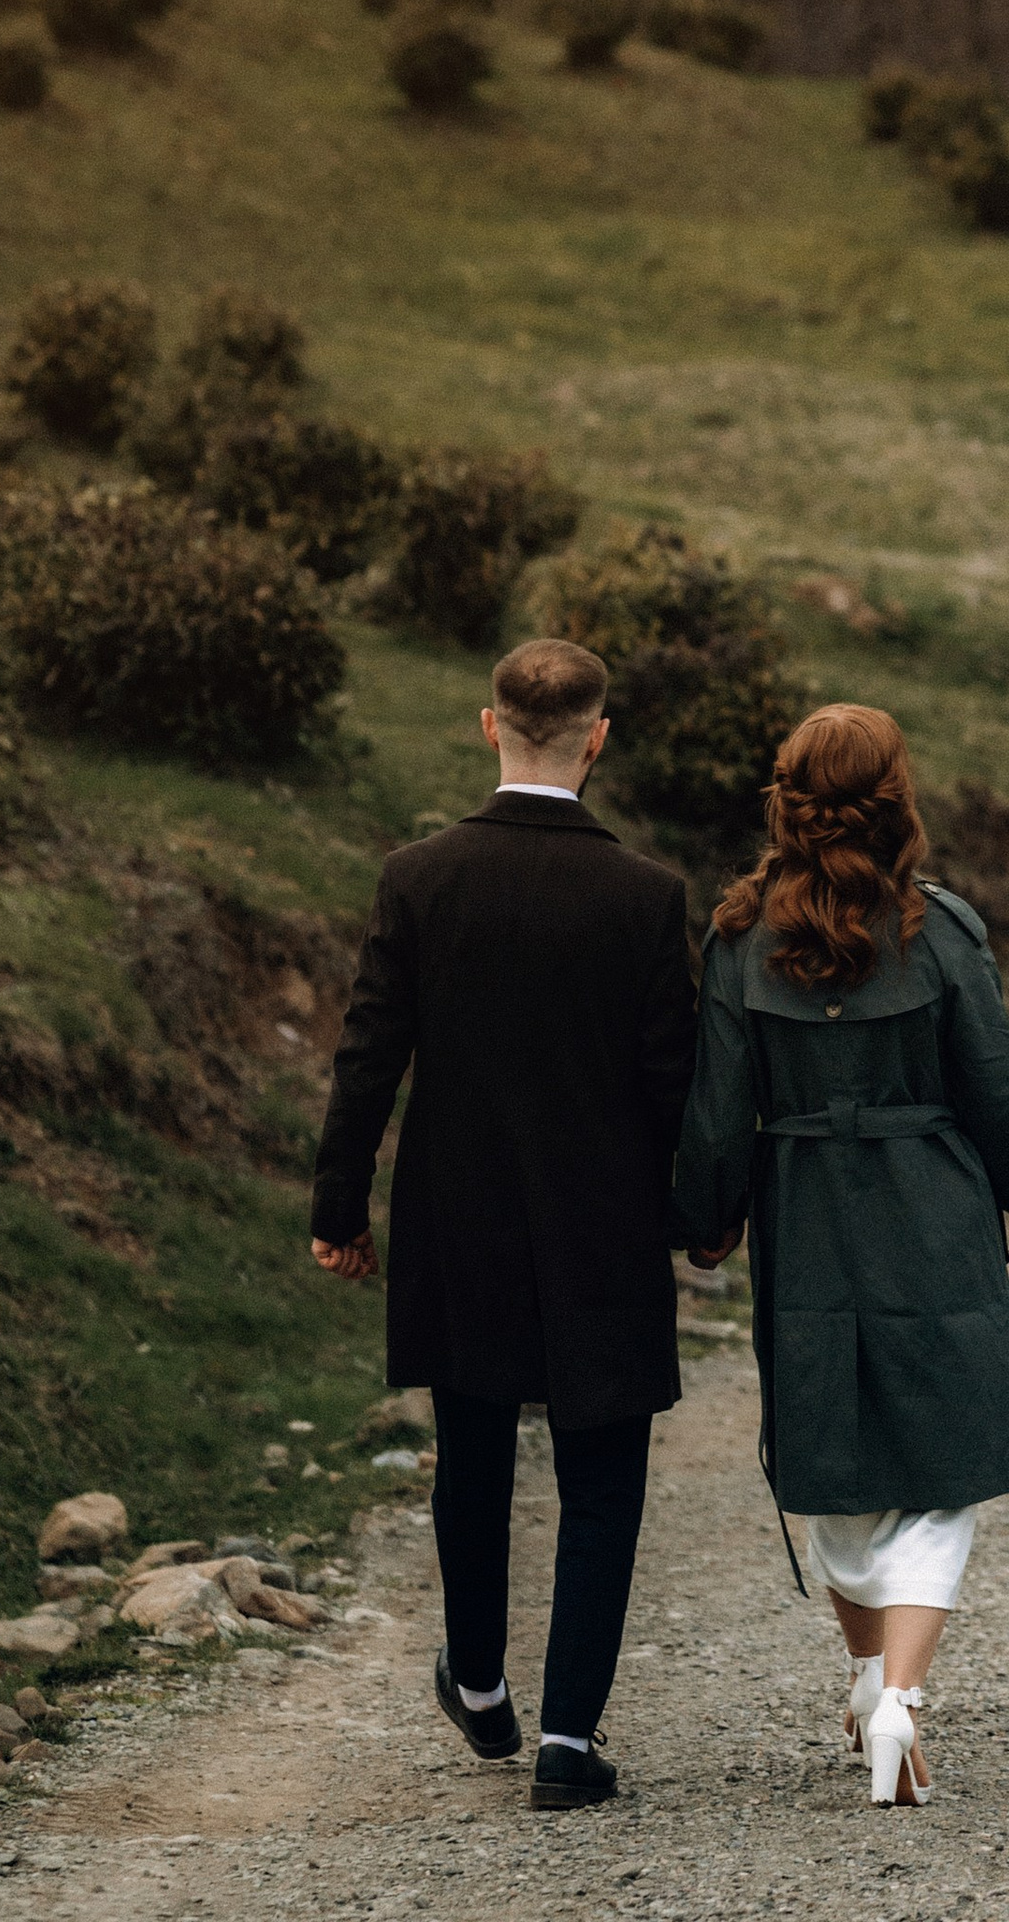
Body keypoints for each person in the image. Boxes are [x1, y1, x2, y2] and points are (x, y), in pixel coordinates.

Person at [310, 635, 695, 1812]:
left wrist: (340, 1207)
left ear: (490, 726)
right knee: (602, 1474)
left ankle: (478, 1682)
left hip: (456, 1215)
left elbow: (369, 1053)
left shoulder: (418, 876)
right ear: (599, 736)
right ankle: (569, 1739)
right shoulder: (645, 895)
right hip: (603, 1222)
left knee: (471, 1451)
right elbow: (672, 1082)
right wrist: (702, 1215)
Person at [674, 702, 1009, 1809]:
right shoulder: (940, 930)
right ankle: (897, 1696)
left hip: (806, 1215)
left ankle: (864, 1680)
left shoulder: (739, 934)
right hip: (930, 1209)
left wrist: (704, 1216)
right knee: (939, 1464)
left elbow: (717, 1111)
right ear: (898, 796)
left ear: (787, 800)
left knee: (834, 1447)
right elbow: (995, 1092)